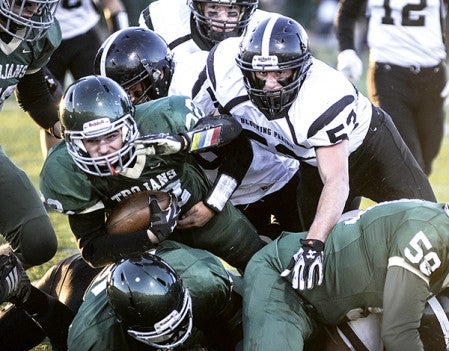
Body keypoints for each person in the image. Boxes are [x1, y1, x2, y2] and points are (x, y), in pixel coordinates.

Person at [193, 14, 436, 290]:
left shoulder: (322, 96)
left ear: (301, 69)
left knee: (430, 228)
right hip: (311, 164)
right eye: (262, 73)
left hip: (371, 152)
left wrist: (314, 243)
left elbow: (336, 179)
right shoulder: (224, 72)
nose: (271, 84)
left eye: (281, 73)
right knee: (322, 268)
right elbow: (195, 117)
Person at [39, 75, 265, 272]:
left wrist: (213, 202)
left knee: (260, 265)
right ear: (74, 141)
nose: (104, 148)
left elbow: (238, 144)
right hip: (150, 244)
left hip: (203, 211)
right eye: (91, 140)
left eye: (111, 136)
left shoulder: (164, 119)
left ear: (128, 126)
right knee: (194, 285)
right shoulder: (66, 169)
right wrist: (149, 237)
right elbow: (93, 249)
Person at [94, 26, 301, 237]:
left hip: (277, 175)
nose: (128, 102)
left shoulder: (190, 86)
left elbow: (239, 147)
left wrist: (213, 203)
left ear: (159, 74)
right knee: (264, 259)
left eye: (134, 91)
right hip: (234, 193)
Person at [242, 199, 449, 350]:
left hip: (333, 310)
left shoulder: (436, 227)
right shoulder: (430, 235)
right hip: (287, 286)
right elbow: (399, 334)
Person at [0, 241, 243, 351]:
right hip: (75, 284)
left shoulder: (207, 282)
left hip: (152, 262)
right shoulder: (94, 332)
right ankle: (23, 292)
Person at [335, 0, 447, 176]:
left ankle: (415, 199)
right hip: (388, 74)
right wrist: (347, 50)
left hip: (432, 74)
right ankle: (416, 200)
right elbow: (347, 12)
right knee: (408, 158)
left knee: (428, 153)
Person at [0, 0, 61, 269]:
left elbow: (33, 92)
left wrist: (61, 126)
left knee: (38, 241)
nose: (34, 8)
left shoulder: (37, 37)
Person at [41, 0, 129, 155]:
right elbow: (114, 7)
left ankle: (110, 160)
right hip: (46, 38)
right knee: (50, 114)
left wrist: (121, 44)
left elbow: (112, 4)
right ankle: (56, 169)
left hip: (85, 36)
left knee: (103, 106)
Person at [138, 0, 272, 63]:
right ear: (199, 6)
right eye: (213, 9)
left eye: (232, 10)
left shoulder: (264, 27)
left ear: (244, 11)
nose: (223, 19)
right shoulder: (165, 17)